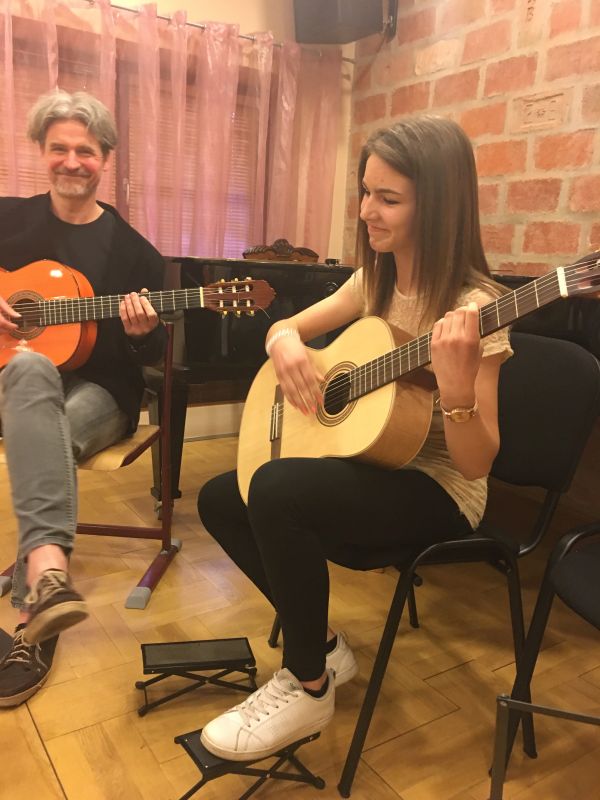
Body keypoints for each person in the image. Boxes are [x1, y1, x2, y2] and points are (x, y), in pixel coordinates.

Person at [196, 115, 513, 761]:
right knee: (222, 497)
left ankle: (308, 685)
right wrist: (285, 341)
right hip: (374, 462)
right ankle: (325, 648)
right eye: (365, 191)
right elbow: (284, 328)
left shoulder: (477, 309)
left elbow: (478, 462)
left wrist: (456, 392)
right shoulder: (375, 281)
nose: (367, 211)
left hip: (438, 486)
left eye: (388, 198)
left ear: (439, 206)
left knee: (276, 489)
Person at [0, 90, 167, 707]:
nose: (72, 162)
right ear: (41, 152)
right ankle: (48, 575)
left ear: (105, 159)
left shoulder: (135, 254)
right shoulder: (7, 218)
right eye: (60, 149)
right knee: (29, 366)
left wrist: (142, 334)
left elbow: (154, 358)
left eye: (86, 152)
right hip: (16, 382)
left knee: (51, 431)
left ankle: (35, 608)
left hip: (103, 390)